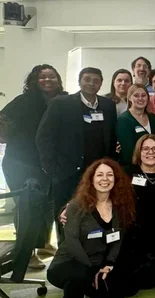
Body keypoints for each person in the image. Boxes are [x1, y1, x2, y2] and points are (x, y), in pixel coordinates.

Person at [0, 64, 64, 276]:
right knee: (27, 209)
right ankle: (25, 253)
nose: (48, 80)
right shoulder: (23, 102)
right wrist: (21, 141)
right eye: (43, 77)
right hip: (21, 164)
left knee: (47, 207)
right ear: (34, 80)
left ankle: (42, 244)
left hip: (46, 166)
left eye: (52, 76)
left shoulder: (59, 102)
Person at [47, 158, 135, 298]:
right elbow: (71, 241)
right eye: (100, 175)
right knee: (79, 274)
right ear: (91, 179)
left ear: (116, 179)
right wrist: (91, 269)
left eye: (110, 175)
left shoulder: (119, 206)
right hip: (69, 263)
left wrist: (108, 265)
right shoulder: (76, 206)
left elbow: (117, 239)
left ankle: (88, 286)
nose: (105, 179)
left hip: (99, 264)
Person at [36, 67, 117, 243]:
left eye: (96, 80)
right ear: (80, 82)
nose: (91, 83)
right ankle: (66, 258)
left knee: (94, 218)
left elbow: (111, 139)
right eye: (87, 79)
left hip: (97, 175)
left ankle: (91, 258)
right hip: (67, 174)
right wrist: (52, 169)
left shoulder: (108, 106)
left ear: (101, 84)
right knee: (66, 219)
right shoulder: (61, 104)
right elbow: (44, 137)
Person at [117, 135, 155, 296]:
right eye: (146, 149)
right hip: (133, 238)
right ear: (138, 152)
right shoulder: (127, 173)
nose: (151, 152)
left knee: (148, 283)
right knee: (129, 288)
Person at [116, 84, 155, 174]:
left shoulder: (152, 117)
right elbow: (128, 152)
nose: (140, 98)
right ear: (129, 98)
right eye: (136, 95)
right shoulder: (124, 119)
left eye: (143, 95)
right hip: (132, 169)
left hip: (152, 166)